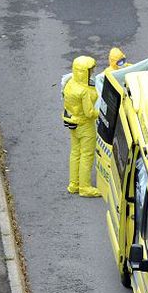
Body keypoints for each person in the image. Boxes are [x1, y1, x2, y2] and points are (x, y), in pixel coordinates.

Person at [62, 55, 101, 197]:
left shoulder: (70, 83)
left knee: (75, 153)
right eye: (90, 70)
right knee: (87, 155)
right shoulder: (84, 91)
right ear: (84, 72)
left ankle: (74, 184)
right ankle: (85, 187)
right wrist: (100, 113)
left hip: (73, 123)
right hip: (85, 125)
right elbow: (89, 112)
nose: (92, 72)